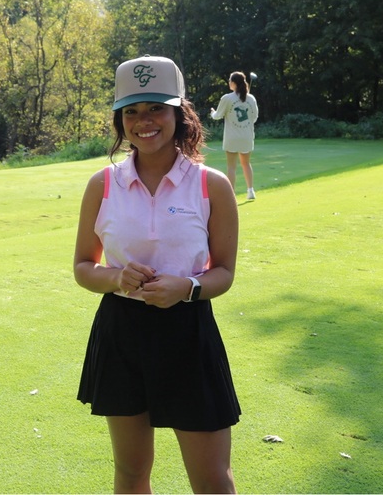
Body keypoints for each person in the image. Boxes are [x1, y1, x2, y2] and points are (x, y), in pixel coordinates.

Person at [74, 55, 241, 494]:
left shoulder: (211, 184)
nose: (143, 121)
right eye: (131, 111)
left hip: (189, 333)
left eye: (155, 109)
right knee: (131, 473)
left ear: (179, 114)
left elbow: (224, 272)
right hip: (121, 334)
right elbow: (83, 267)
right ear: (120, 119)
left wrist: (187, 288)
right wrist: (116, 278)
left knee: (212, 480)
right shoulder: (102, 184)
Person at [210, 72, 259, 200]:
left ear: (234, 83)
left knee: (231, 167)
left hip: (232, 137)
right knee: (246, 163)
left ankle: (232, 195)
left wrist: (212, 113)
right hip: (247, 136)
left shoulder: (227, 98)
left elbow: (217, 116)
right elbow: (254, 118)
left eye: (230, 81)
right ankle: (250, 191)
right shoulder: (251, 98)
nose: (229, 83)